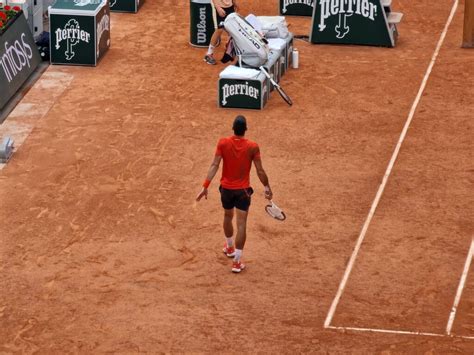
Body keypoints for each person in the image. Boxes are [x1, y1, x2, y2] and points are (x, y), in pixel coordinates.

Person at [196, 116, 273, 273]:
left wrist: (205, 186)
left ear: (233, 128)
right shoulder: (253, 147)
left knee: (227, 216)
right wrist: (267, 187)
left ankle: (229, 247)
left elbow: (214, 165)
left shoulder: (223, 143)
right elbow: (260, 170)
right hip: (243, 191)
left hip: (226, 190)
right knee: (241, 224)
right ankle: (237, 261)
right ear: (245, 129)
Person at [204, 0, 238, 65]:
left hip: (230, 6)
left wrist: (234, 2)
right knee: (220, 29)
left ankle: (230, 47)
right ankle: (208, 54)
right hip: (219, 6)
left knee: (232, 27)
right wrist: (218, 8)